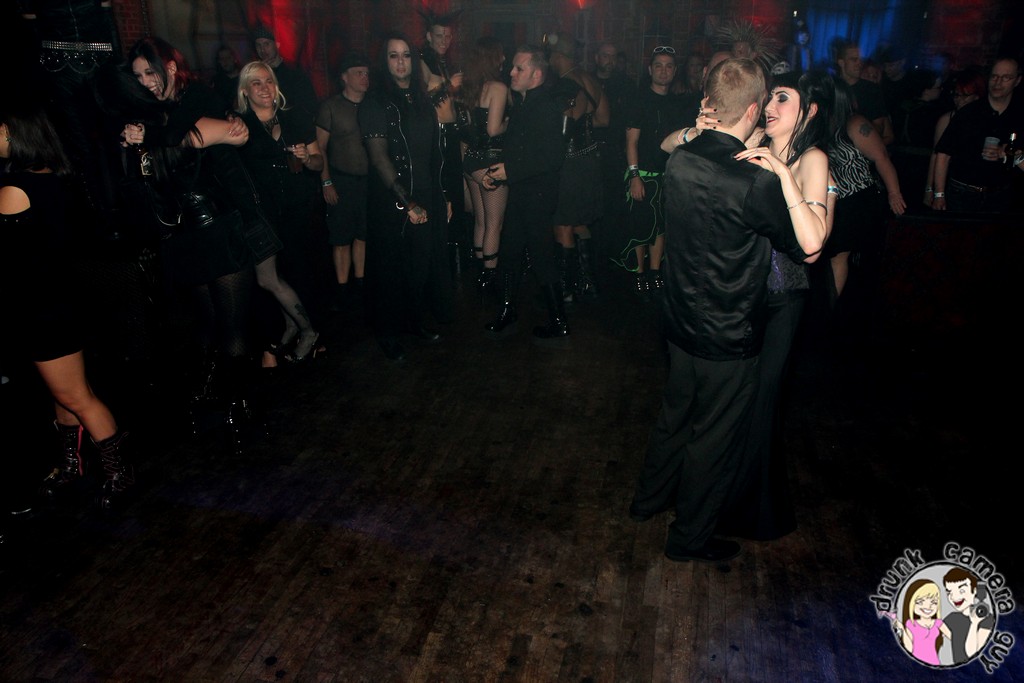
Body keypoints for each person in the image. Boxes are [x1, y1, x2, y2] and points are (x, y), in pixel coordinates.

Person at [628, 58, 825, 563]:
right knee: (712, 439)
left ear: (709, 104)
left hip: (678, 320)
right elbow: (805, 247)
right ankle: (689, 539)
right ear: (755, 109)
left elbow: (670, 144)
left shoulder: (682, 158)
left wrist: (699, 128)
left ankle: (647, 501)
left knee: (674, 417)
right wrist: (783, 177)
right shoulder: (753, 181)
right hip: (728, 331)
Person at [671, 70, 835, 540]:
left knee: (760, 405)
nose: (770, 106)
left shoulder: (813, 159)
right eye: (769, 98)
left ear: (809, 111)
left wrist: (782, 174)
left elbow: (813, 247)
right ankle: (716, 502)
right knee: (733, 407)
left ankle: (754, 513)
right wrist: (696, 130)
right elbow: (667, 146)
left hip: (782, 299)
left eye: (783, 98)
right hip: (745, 297)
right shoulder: (755, 138)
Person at [1, 101, 135, 510]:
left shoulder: (15, 188)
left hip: (43, 308)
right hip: (61, 300)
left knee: (77, 396)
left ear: (15, 135)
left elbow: (12, 260)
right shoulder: (54, 177)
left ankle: (120, 475)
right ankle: (72, 466)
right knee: (64, 395)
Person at [359, 33, 454, 361]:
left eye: (406, 55)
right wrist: (407, 202)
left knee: (420, 265)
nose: (400, 62)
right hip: (393, 197)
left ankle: (413, 321)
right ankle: (387, 332)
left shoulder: (421, 99)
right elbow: (379, 159)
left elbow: (434, 153)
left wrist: (442, 195)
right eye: (393, 55)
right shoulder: (375, 102)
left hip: (427, 192)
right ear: (384, 62)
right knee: (391, 269)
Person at [235, 60, 324, 365]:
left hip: (297, 209)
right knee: (268, 279)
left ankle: (298, 328)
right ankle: (304, 329)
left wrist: (307, 158)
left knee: (294, 273)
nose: (264, 88)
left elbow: (318, 162)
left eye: (268, 81)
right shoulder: (239, 125)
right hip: (262, 213)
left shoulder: (295, 116)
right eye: (256, 83)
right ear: (245, 91)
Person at [482, 45, 567, 342]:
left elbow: (552, 157)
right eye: (513, 67)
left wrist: (510, 170)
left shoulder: (546, 106)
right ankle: (508, 310)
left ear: (537, 75)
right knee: (510, 251)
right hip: (522, 191)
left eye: (519, 68)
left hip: (538, 194)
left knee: (541, 254)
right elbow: (521, 149)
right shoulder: (525, 103)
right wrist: (500, 171)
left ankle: (559, 321)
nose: (512, 72)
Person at [615, 45, 694, 299]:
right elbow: (631, 142)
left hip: (668, 174)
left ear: (675, 70)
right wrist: (635, 176)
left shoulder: (677, 103)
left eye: (668, 66)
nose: (663, 71)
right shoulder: (638, 100)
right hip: (643, 174)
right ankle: (639, 273)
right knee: (641, 225)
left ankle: (654, 272)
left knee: (661, 226)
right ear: (650, 70)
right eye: (658, 66)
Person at [825, 80, 906, 305]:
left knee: (840, 254)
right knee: (835, 256)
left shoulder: (854, 122)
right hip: (835, 200)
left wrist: (894, 193)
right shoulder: (820, 125)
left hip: (859, 199)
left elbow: (881, 157)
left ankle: (832, 307)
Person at [546, 31, 609, 302]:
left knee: (562, 224)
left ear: (557, 56)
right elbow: (603, 119)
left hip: (570, 163)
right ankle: (588, 283)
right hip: (590, 159)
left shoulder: (566, 84)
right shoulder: (590, 79)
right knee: (580, 223)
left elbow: (562, 130)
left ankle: (567, 289)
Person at [316, 53, 370, 314]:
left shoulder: (373, 105)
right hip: (341, 180)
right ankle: (342, 288)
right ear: (344, 77)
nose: (364, 77)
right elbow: (320, 148)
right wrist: (326, 181)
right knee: (341, 238)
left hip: (368, 182)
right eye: (359, 73)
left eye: (366, 73)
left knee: (363, 234)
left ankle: (360, 284)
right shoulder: (331, 107)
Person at [932, 58, 1024, 213]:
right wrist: (938, 194)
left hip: (1000, 195)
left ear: (1017, 80)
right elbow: (943, 154)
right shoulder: (968, 113)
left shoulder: (1019, 116)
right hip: (962, 193)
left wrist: (1009, 153)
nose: (998, 82)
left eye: (1006, 77)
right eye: (994, 76)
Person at [459, 36, 510, 298]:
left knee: (480, 221)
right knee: (494, 224)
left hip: (471, 161)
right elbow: (492, 129)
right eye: (500, 54)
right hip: (490, 162)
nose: (504, 59)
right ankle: (490, 277)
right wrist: (510, 123)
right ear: (492, 57)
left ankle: (480, 270)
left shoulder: (469, 87)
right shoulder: (497, 87)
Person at [418, 9, 467, 273]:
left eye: (448, 36)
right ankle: (440, 260)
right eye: (439, 36)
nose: (444, 41)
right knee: (442, 190)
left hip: (451, 132)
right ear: (428, 36)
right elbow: (421, 98)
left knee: (454, 192)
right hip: (435, 134)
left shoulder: (443, 61)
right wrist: (448, 86)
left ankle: (454, 258)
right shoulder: (421, 60)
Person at [592, 41, 637, 267]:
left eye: (612, 56)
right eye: (605, 55)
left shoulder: (625, 84)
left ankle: (612, 253)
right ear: (596, 57)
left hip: (615, 151)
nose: (609, 60)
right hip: (590, 150)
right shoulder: (588, 81)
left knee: (613, 201)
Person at [923, 68, 986, 207]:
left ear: (977, 96)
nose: (960, 100)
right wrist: (929, 188)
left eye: (965, 95)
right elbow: (936, 155)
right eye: (957, 95)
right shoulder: (946, 119)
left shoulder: (985, 119)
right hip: (950, 183)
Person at [252, 23, 318, 125]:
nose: (262, 49)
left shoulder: (294, 72)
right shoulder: (254, 74)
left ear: (277, 45)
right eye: (258, 45)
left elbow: (309, 104)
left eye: (266, 44)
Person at [835, 40, 894, 145]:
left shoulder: (871, 90)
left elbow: (879, 126)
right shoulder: (830, 87)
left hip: (860, 149)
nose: (859, 63)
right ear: (841, 63)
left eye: (860, 59)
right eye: (854, 60)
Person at [942, 567, 995, 664]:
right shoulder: (952, 618)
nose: (954, 597)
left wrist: (974, 623)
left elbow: (972, 654)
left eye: (961, 591)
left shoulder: (987, 619)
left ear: (974, 591)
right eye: (949, 592)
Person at [895, 579, 951, 666]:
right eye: (920, 602)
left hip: (934, 663)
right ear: (911, 603)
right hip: (915, 664)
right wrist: (902, 629)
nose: (928, 606)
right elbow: (909, 649)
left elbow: (954, 638)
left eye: (934, 602)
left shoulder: (938, 623)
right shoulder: (911, 624)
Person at [211, 44, 241, 112]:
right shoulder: (217, 81)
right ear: (219, 61)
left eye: (228, 58)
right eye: (222, 59)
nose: (225, 61)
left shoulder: (245, 76)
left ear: (234, 58)